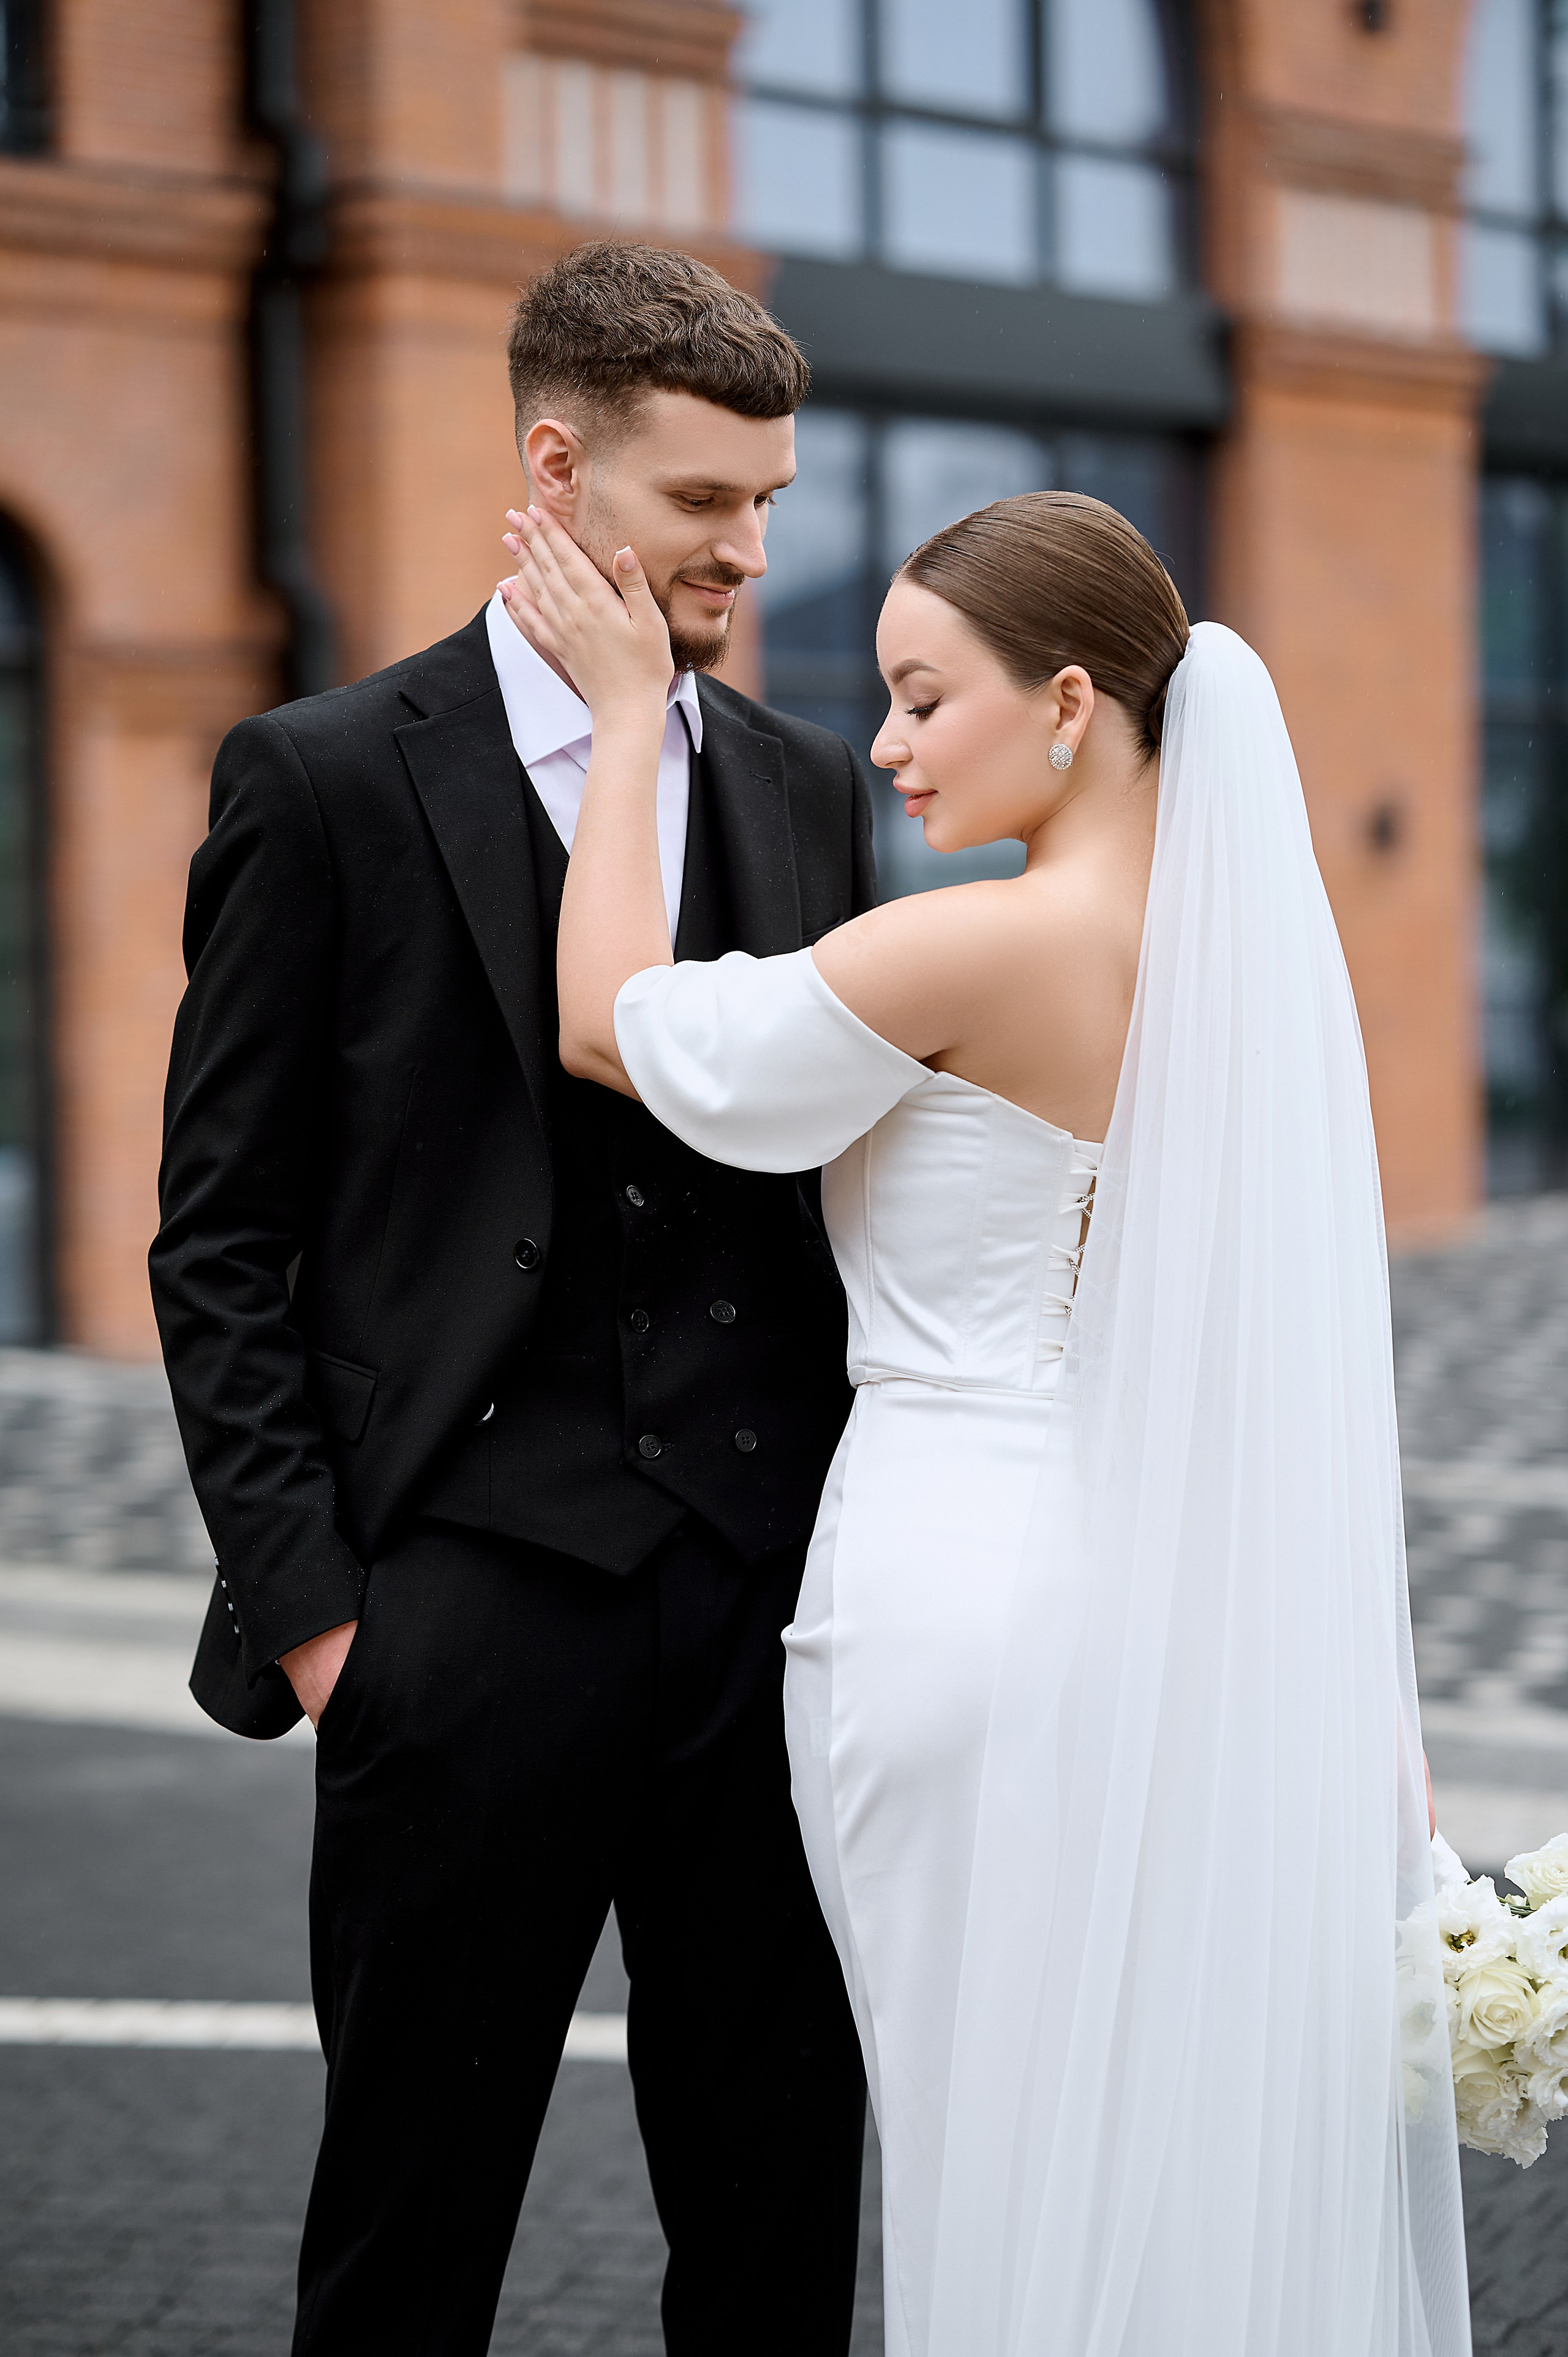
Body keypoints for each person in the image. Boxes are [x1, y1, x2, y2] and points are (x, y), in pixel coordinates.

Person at [499, 489, 1473, 2356]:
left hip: (954, 1590)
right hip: (1154, 1605)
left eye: (924, 698)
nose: (883, 746)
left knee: (988, 2135)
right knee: (1125, 2121)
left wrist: (631, 720)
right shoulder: (1234, 983)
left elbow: (621, 1027)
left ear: (1074, 702)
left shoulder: (988, 948)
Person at [148, 243, 872, 2356]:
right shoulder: (327, 777)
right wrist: (329, 1630)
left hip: (764, 1615)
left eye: (767, 503)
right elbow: (221, 1237)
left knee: (779, 2212)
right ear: (555, 474)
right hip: (460, 1617)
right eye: (702, 505)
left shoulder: (806, 787)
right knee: (409, 2234)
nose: (749, 549)